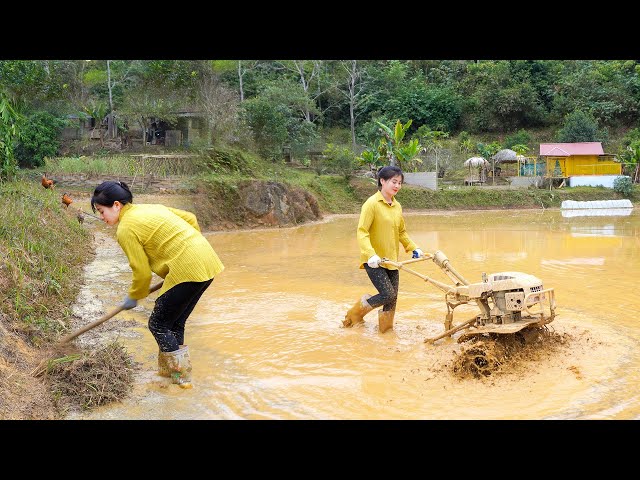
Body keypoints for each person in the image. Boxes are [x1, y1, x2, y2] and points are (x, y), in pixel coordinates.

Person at [91, 180, 224, 388]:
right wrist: (190, 248)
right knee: (174, 323)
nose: (101, 217)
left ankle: (182, 379)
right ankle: (168, 374)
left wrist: (134, 296)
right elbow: (191, 218)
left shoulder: (125, 229)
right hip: (207, 261)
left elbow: (142, 274)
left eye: (101, 211)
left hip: (188, 269)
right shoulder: (150, 208)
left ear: (116, 205)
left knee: (158, 324)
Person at [343, 166, 424, 333]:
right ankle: (354, 313)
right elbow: (362, 231)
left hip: (392, 260)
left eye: (400, 183)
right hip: (374, 261)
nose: (397, 186)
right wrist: (371, 254)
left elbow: (401, 232)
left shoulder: (397, 206)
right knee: (388, 294)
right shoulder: (371, 204)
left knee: (392, 300)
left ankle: (386, 332)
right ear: (382, 181)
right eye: (394, 182)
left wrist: (413, 247)